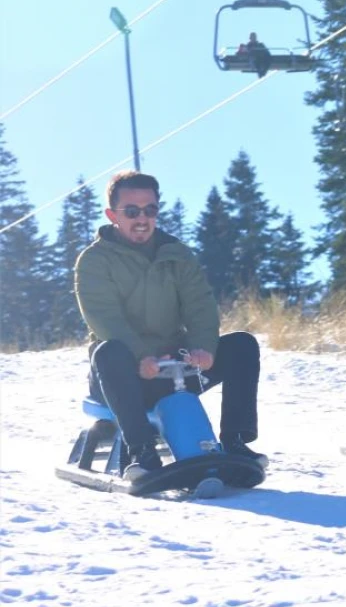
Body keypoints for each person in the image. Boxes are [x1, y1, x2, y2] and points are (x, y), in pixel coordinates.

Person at [74, 171, 267, 480]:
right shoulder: (95, 260)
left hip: (175, 370)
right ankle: (142, 453)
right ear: (112, 215)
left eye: (150, 209)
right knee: (109, 352)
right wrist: (141, 357)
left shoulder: (177, 255)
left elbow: (199, 305)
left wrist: (204, 347)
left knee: (241, 345)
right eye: (132, 211)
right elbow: (104, 317)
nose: (142, 218)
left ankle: (235, 441)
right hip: (123, 377)